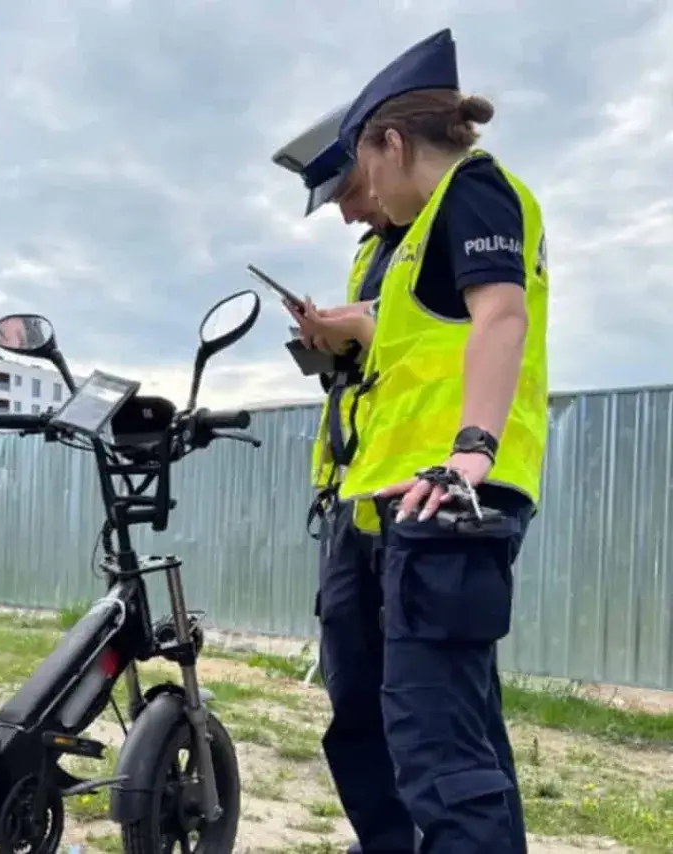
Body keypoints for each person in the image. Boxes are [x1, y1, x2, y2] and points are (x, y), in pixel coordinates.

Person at [305, 28, 547, 853]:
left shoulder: (477, 193)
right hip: (388, 501)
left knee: (437, 745)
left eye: (363, 170)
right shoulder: (408, 242)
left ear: (394, 142)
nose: (360, 196)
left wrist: (471, 448)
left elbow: (501, 316)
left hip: (448, 499)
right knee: (380, 724)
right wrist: (344, 335)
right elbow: (417, 344)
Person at [273, 108, 417, 854]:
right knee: (353, 700)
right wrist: (327, 340)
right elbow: (369, 373)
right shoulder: (372, 256)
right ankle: (385, 839)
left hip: (416, 501)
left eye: (346, 191)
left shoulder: (439, 235)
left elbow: (436, 350)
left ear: (378, 153)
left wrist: (360, 326)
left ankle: (423, 838)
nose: (346, 211)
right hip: (352, 500)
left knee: (422, 708)